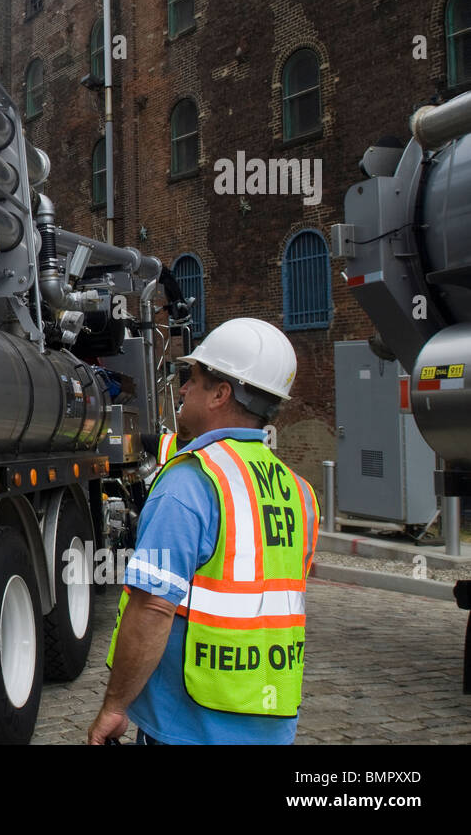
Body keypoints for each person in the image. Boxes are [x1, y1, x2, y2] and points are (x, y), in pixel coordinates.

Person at [88, 318, 320, 745]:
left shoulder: (191, 481)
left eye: (192, 378)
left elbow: (154, 607)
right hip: (271, 722)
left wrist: (116, 706)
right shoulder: (299, 492)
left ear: (220, 393)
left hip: (189, 724)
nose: (182, 389)